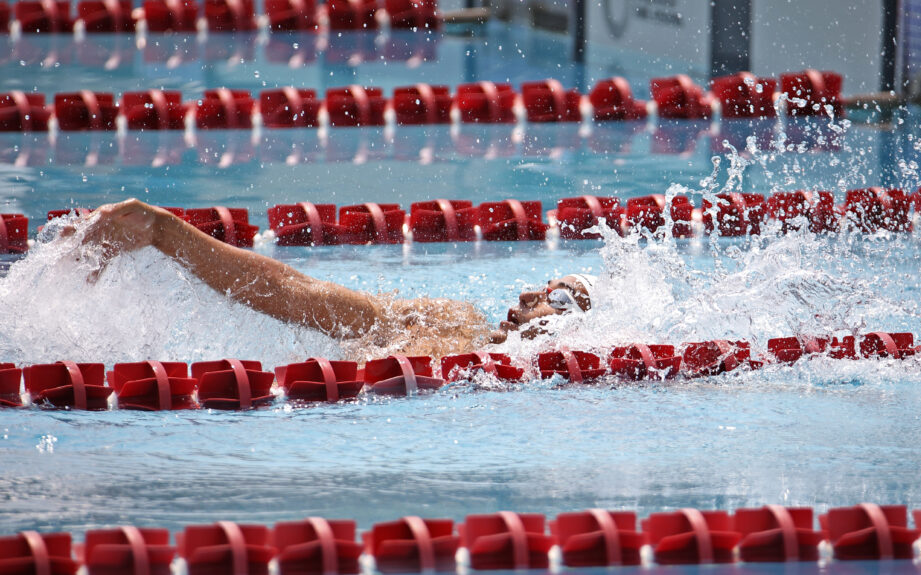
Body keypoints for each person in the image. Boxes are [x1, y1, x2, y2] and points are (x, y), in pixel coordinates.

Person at [69, 199, 595, 356]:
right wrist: (168, 232)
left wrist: (169, 234)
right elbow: (302, 296)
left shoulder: (471, 360)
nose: (532, 291)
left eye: (556, 297)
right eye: (546, 284)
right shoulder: (454, 321)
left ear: (570, 328)